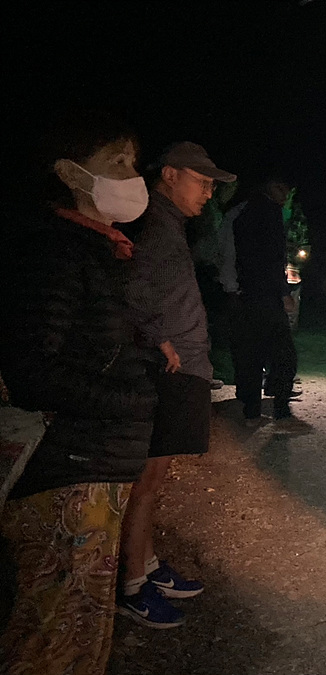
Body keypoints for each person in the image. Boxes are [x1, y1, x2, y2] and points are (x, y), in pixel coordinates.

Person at [0, 112, 157, 674]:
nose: (131, 174)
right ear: (70, 173)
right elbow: (32, 371)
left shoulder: (96, 249)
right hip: (68, 470)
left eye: (133, 161)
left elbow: (89, 346)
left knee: (82, 626)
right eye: (116, 160)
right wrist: (136, 401)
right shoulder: (57, 251)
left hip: (92, 462)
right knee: (52, 636)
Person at [117, 142, 236, 629]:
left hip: (182, 363)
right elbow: (128, 285)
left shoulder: (168, 224)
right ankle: (132, 585)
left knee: (155, 478)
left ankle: (146, 565)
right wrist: (157, 337)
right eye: (201, 181)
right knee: (146, 481)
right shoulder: (151, 222)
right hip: (167, 366)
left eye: (211, 185)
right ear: (169, 175)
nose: (208, 192)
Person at [230, 179, 299, 421]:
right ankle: (280, 404)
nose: (286, 195)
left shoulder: (244, 211)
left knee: (253, 351)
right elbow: (271, 258)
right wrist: (283, 292)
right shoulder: (268, 213)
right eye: (282, 188)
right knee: (283, 354)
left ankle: (252, 406)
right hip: (265, 293)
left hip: (248, 291)